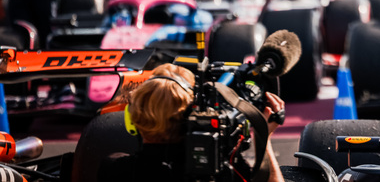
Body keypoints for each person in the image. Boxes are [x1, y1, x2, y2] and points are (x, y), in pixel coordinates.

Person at [99, 63, 286, 181]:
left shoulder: (113, 170)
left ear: (132, 118)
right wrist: (264, 138)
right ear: (190, 115)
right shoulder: (220, 171)